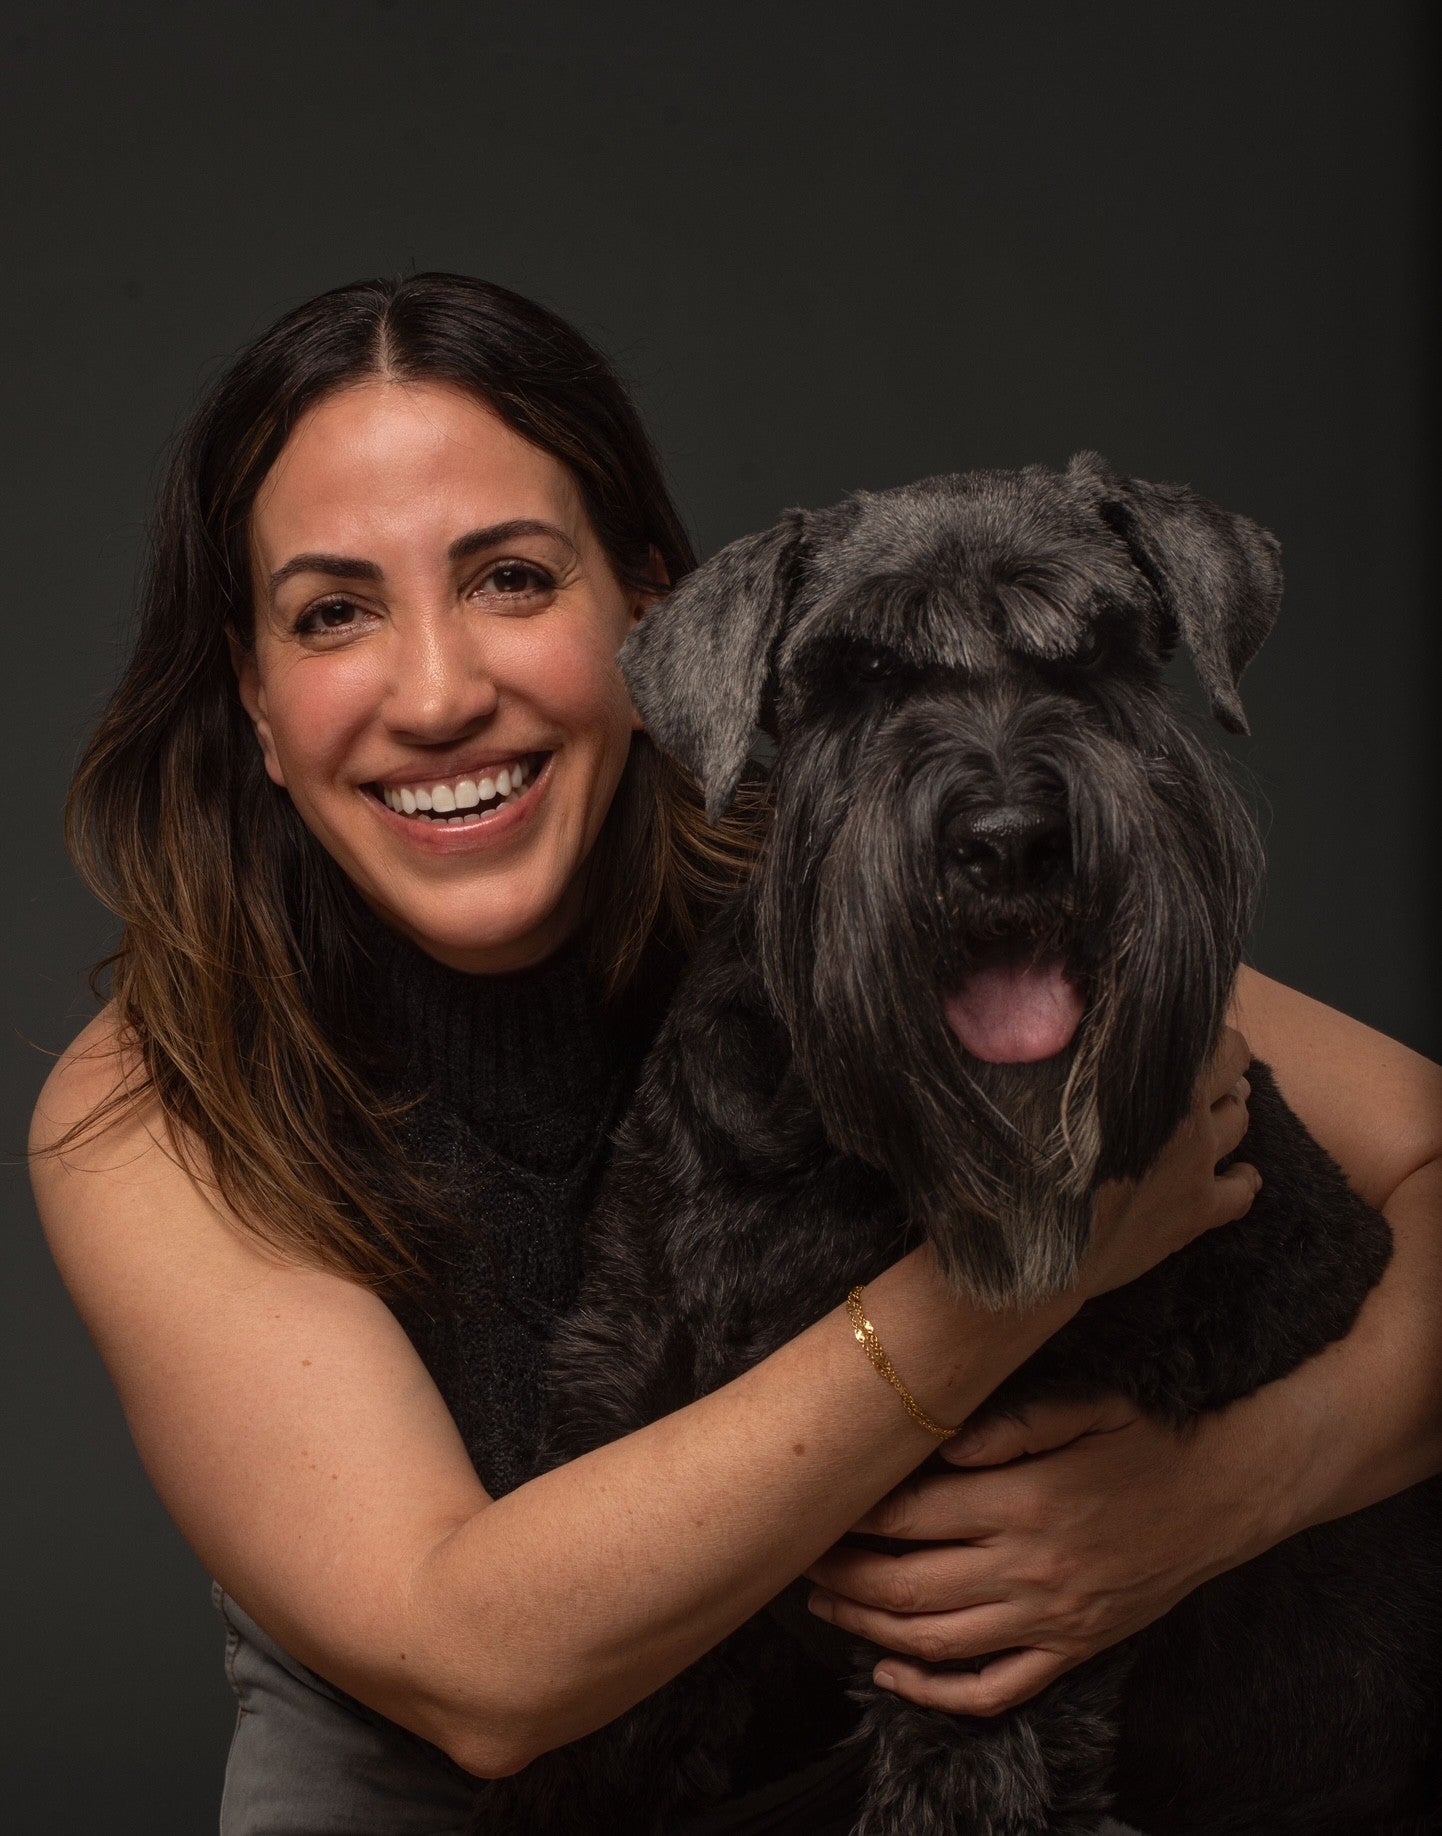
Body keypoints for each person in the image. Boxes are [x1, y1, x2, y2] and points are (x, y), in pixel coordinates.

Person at [29, 274, 1440, 1832]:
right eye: (333, 612)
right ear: (254, 693)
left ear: (649, 616)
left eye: (508, 578)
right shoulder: (155, 1104)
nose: (436, 695)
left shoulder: (876, 880)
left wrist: (1232, 1490)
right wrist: (1044, 1268)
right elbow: (475, 1670)